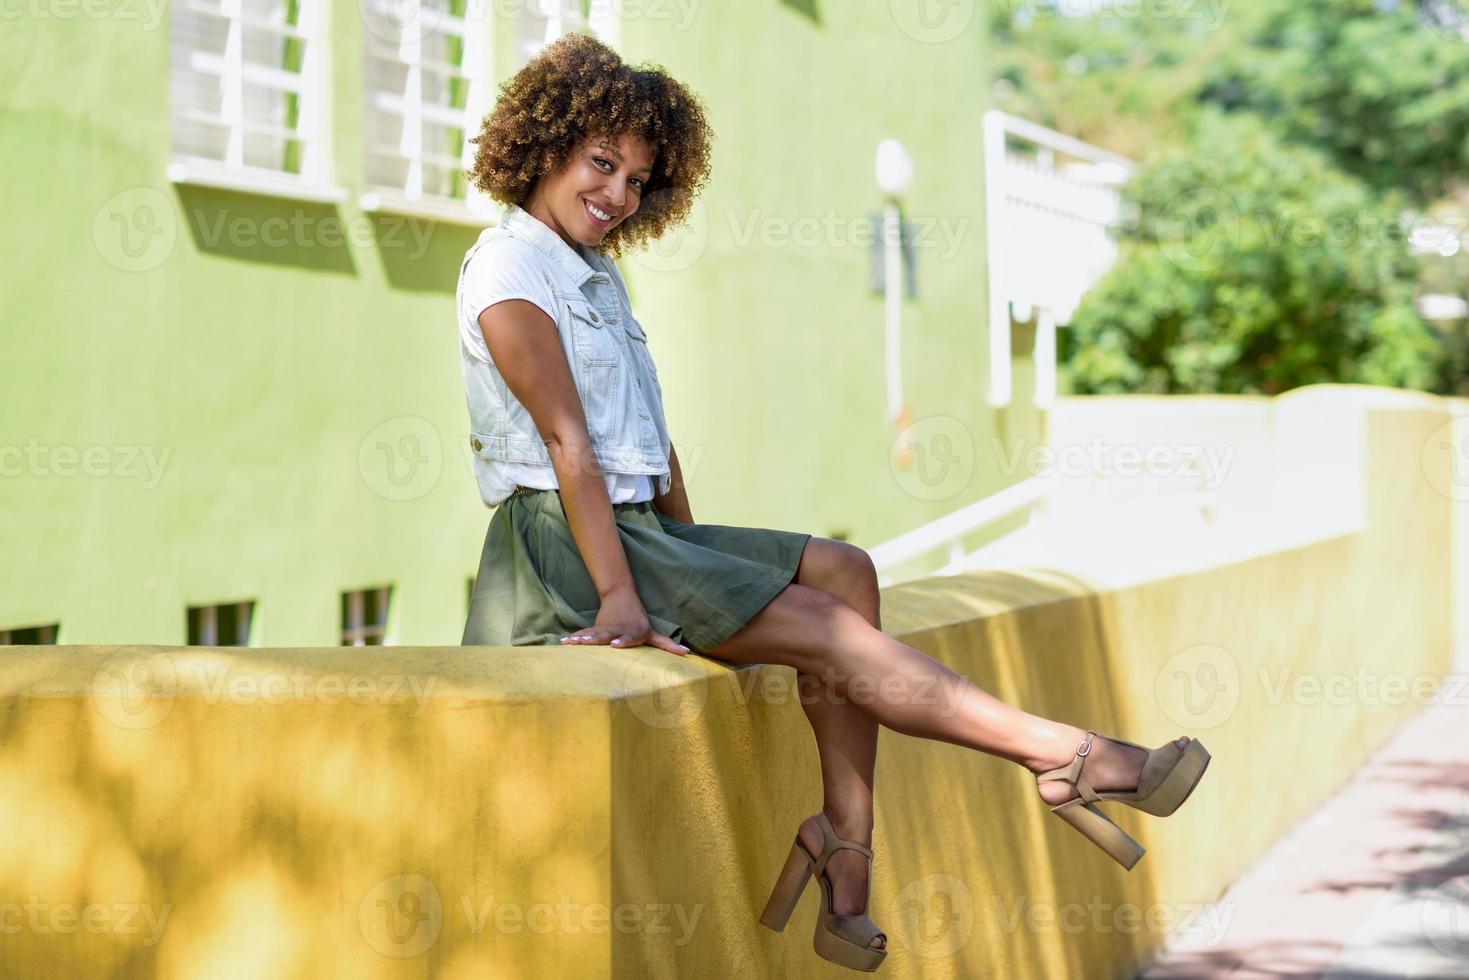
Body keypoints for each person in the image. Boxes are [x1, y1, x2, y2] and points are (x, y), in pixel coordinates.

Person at [456, 32, 1210, 974]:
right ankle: (1066, 755)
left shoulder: (599, 274)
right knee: (826, 627)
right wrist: (623, 600)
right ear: (545, 146)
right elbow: (567, 443)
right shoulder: (508, 267)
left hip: (635, 527)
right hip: (563, 543)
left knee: (847, 571)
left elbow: (649, 440)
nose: (616, 196)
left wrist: (702, 566)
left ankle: (844, 845)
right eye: (600, 164)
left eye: (639, 180)